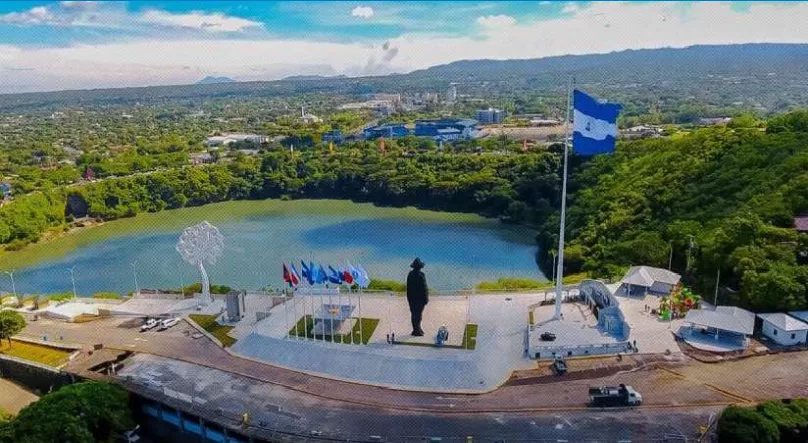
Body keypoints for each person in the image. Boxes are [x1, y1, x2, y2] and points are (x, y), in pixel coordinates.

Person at [406, 257, 429, 336]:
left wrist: (408, 299)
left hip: (412, 299)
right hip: (420, 299)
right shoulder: (421, 275)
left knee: (414, 314)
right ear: (420, 267)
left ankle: (416, 329)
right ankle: (417, 330)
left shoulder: (410, 274)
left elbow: (408, 288)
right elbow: (424, 288)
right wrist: (426, 299)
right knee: (418, 315)